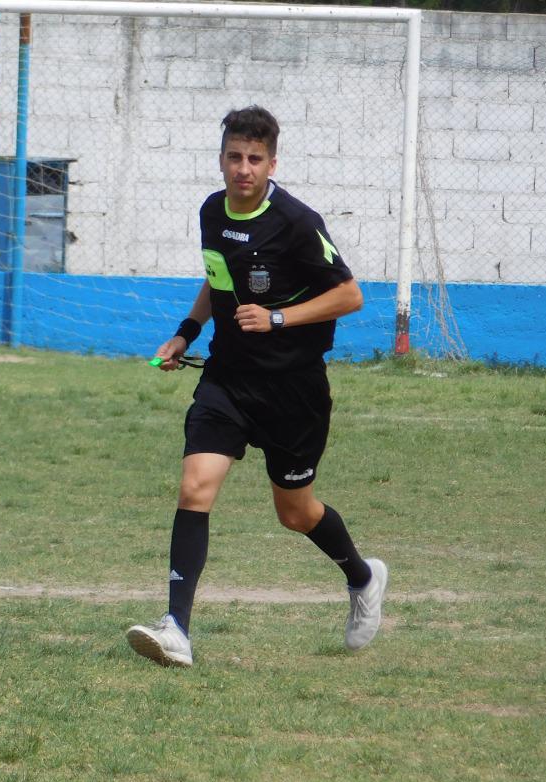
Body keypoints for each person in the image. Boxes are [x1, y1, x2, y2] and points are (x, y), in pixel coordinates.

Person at [126, 105, 387, 668]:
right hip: (227, 380)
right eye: (234, 157)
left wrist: (277, 319)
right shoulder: (211, 212)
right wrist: (186, 332)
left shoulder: (296, 220)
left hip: (293, 391)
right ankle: (177, 629)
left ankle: (363, 578)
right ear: (221, 159)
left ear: (272, 162)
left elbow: (350, 295)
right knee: (196, 486)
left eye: (255, 159)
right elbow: (217, 276)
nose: (243, 168)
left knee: (295, 513)